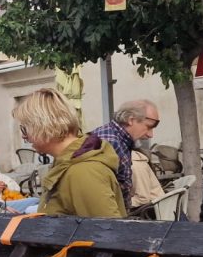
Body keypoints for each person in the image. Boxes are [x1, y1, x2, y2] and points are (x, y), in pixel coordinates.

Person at [13, 89, 127, 218]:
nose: (24, 136)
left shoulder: (83, 171)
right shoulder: (69, 164)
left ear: (43, 125)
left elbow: (106, 228)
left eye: (25, 129)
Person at [91, 99, 160, 205]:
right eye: (148, 127)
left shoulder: (118, 139)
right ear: (131, 120)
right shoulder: (110, 143)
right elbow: (103, 194)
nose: (151, 135)